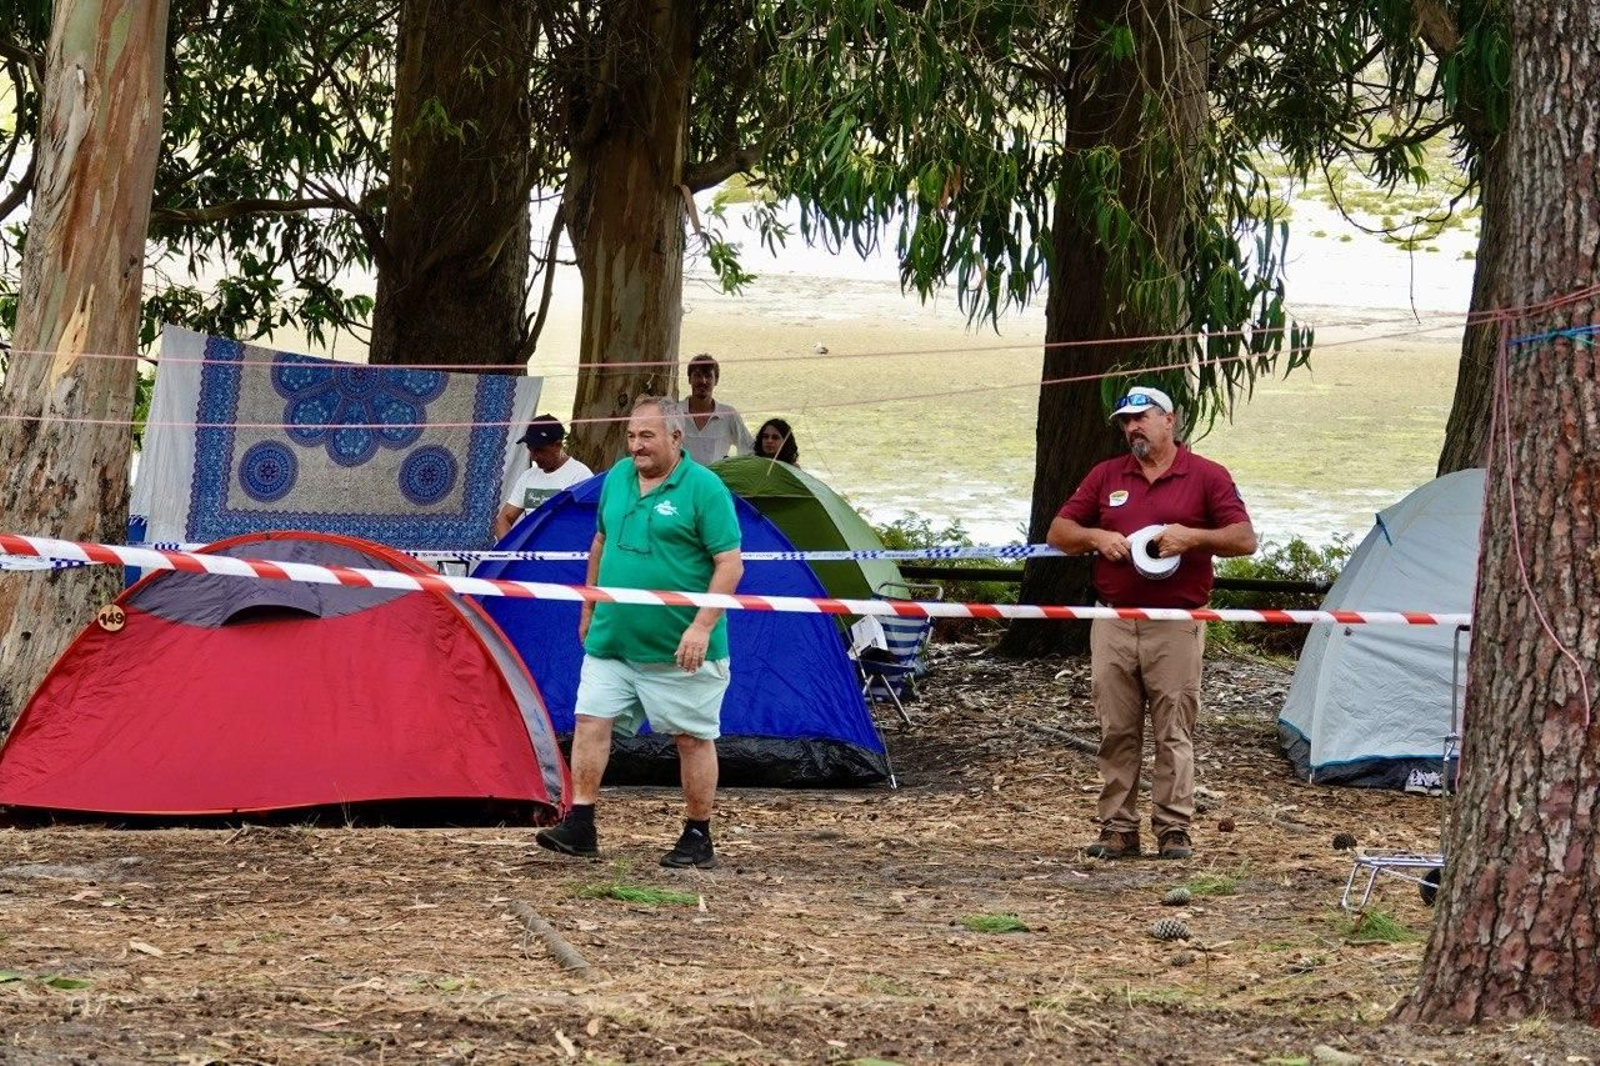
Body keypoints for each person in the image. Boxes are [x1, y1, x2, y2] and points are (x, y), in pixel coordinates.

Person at [1047, 385, 1256, 861]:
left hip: (1176, 623)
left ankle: (1173, 829)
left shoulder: (1206, 476)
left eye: (1141, 417)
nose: (1132, 427)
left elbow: (1244, 539)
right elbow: (1059, 533)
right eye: (1125, 420)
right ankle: (1117, 828)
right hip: (1114, 620)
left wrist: (1194, 538)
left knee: (1174, 729)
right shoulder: (1106, 475)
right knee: (1116, 729)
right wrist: (1097, 536)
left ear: (1170, 419)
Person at [535, 396, 744, 869]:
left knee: (691, 738)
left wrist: (700, 626)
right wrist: (589, 606)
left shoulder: (705, 489)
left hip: (681, 647)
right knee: (590, 720)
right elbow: (600, 542)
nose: (635, 446)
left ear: (676, 436)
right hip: (613, 638)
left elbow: (729, 564)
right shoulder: (616, 480)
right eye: (631, 436)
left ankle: (697, 833)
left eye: (646, 436)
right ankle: (581, 823)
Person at [494, 415, 593, 540]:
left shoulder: (580, 476)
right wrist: (511, 553)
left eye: (540, 450)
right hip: (527, 555)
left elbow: (587, 526)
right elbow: (503, 519)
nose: (534, 457)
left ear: (557, 445)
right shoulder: (528, 477)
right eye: (530, 450)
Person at [681, 353, 753, 466]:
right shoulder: (675, 413)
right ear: (689, 379)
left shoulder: (729, 415)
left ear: (716, 381)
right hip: (682, 482)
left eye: (708, 376)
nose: (703, 381)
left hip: (715, 481)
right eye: (697, 375)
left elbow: (750, 449)